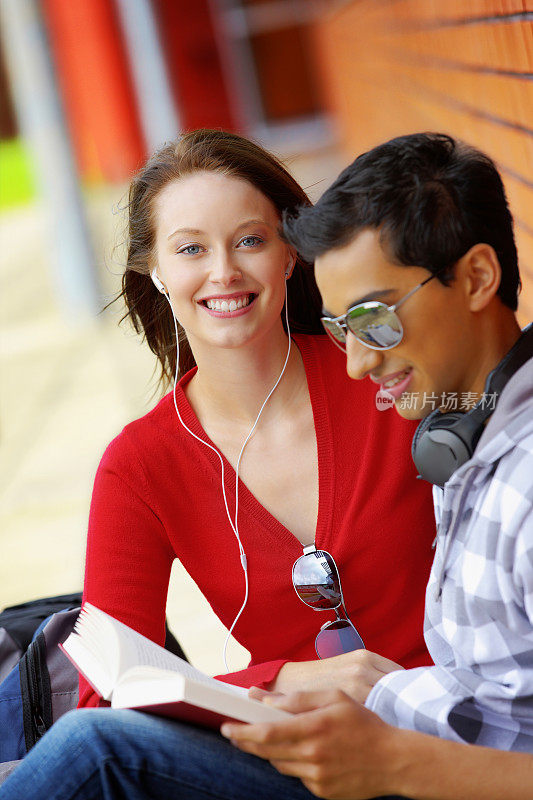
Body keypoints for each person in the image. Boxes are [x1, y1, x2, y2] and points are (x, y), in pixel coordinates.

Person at [0, 130, 435, 799]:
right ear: (156, 271)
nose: (224, 271)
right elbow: (105, 692)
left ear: (290, 254)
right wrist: (278, 678)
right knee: (93, 745)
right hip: (304, 768)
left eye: (249, 240)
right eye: (191, 248)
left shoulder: (388, 379)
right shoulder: (140, 465)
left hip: (450, 737)